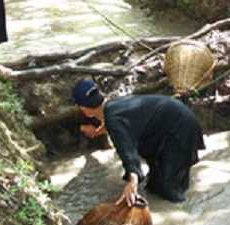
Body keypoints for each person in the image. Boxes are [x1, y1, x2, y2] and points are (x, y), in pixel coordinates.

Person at [72, 79, 205, 205]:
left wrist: (133, 181)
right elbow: (123, 125)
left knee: (170, 191)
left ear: (84, 110)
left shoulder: (112, 118)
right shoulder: (113, 106)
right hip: (176, 120)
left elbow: (126, 151)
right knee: (153, 186)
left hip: (180, 129)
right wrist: (98, 132)